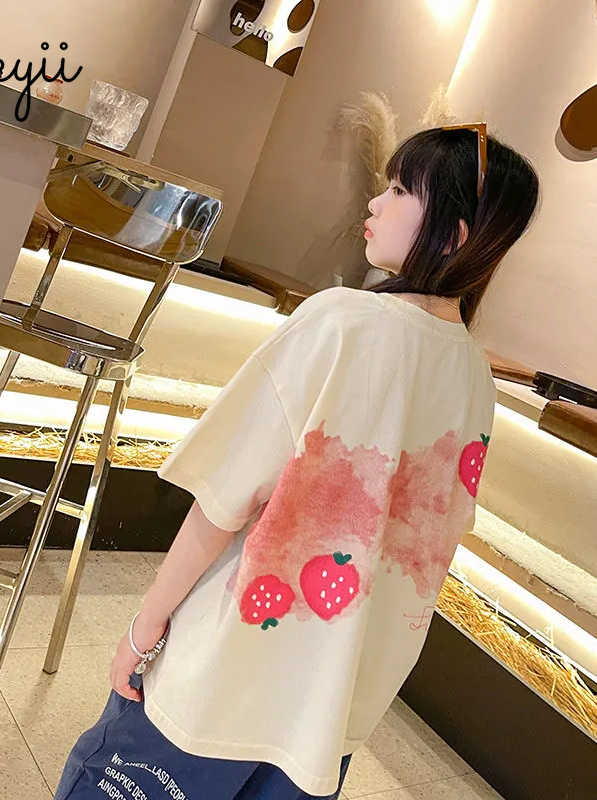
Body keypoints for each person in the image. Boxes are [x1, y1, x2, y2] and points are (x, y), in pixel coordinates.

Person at [55, 124, 539, 800]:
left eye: (401, 190)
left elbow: (224, 498)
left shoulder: (341, 322)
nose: (375, 202)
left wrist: (145, 627)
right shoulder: (475, 380)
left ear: (453, 235)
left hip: (223, 679)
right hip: (330, 713)